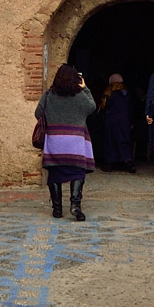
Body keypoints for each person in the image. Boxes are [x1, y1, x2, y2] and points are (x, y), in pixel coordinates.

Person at [35, 64, 97, 220]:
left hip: (54, 142)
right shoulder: (80, 96)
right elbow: (92, 107)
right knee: (77, 172)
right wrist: (85, 88)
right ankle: (75, 206)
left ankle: (57, 209)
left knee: (55, 173)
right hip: (75, 143)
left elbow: (38, 114)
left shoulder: (48, 96)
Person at [98, 72, 138, 170]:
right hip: (124, 121)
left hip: (111, 121)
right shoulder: (127, 94)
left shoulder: (109, 93)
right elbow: (130, 109)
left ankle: (109, 163)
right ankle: (127, 162)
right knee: (125, 141)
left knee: (110, 141)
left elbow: (104, 107)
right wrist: (132, 122)